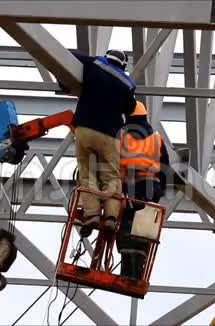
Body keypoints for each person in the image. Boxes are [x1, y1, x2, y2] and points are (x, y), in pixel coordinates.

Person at [59, 49, 137, 236]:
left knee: (86, 175)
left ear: (107, 56)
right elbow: (131, 108)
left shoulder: (93, 64)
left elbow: (68, 53)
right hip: (109, 135)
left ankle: (92, 215)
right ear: (123, 65)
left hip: (84, 129)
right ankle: (110, 217)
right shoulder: (127, 83)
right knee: (111, 176)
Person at [116, 101, 169, 280]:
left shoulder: (122, 135)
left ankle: (127, 274)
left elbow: (113, 161)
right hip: (151, 188)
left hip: (133, 186)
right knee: (144, 230)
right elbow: (165, 167)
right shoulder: (156, 137)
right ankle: (137, 274)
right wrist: (160, 190)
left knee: (127, 228)